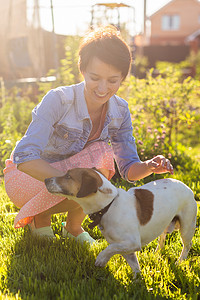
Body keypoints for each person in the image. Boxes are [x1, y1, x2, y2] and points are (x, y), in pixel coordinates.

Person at [4, 26, 173, 243]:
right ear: (82, 70)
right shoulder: (58, 100)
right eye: (95, 77)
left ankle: (73, 226)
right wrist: (67, 182)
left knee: (101, 162)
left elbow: (129, 170)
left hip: (63, 182)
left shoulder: (120, 111)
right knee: (100, 154)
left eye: (113, 80)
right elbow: (24, 158)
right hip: (24, 180)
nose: (103, 88)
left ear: (123, 77)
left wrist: (149, 166)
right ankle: (40, 216)